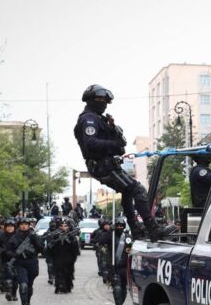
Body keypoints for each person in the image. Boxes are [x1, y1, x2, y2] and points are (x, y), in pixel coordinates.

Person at [74, 85, 174, 242]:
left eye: (106, 100)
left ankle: (136, 230)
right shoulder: (89, 119)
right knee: (138, 190)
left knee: (127, 192)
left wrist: (113, 131)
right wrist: (114, 143)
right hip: (102, 165)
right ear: (91, 100)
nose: (104, 103)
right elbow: (91, 143)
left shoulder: (99, 119)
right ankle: (153, 229)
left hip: (107, 164)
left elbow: (119, 143)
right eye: (101, 99)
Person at [6, 217, 44, 305]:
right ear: (19, 226)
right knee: (23, 284)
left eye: (26, 224)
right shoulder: (14, 237)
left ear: (29, 225)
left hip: (32, 262)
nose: (24, 226)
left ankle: (28, 301)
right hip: (20, 263)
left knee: (29, 284)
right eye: (22, 224)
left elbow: (41, 249)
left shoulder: (33, 236)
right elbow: (7, 250)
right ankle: (24, 304)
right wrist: (14, 254)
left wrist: (35, 240)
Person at [48, 218, 81, 294]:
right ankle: (59, 286)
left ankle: (67, 286)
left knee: (68, 273)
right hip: (58, 258)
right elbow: (51, 248)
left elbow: (75, 250)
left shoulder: (72, 237)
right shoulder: (56, 236)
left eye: (65, 226)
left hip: (68, 259)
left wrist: (72, 259)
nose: (63, 227)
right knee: (58, 273)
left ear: (68, 227)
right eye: (62, 226)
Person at [110, 218, 131, 305]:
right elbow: (101, 241)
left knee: (123, 291)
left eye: (121, 226)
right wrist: (110, 231)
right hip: (114, 267)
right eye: (117, 226)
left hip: (125, 268)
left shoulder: (127, 237)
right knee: (117, 288)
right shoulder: (111, 236)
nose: (119, 227)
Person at [92, 218, 113, 284]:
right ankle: (103, 274)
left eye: (108, 225)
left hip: (110, 250)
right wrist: (96, 243)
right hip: (102, 249)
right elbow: (94, 239)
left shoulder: (112, 233)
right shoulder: (99, 232)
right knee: (102, 262)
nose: (107, 226)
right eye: (105, 225)